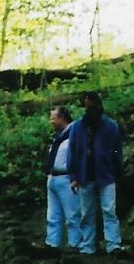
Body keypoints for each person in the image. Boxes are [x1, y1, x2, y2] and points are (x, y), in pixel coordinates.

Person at [68, 91, 124, 255]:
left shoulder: (110, 126)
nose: (90, 107)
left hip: (106, 175)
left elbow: (117, 152)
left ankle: (113, 244)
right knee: (87, 213)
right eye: (87, 104)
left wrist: (117, 174)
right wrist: (73, 177)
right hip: (85, 176)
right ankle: (88, 245)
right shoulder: (77, 127)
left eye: (92, 103)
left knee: (109, 211)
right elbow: (73, 152)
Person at [44, 105, 81, 252]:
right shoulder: (57, 136)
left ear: (62, 118)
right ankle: (52, 244)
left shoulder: (74, 134)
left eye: (53, 118)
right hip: (53, 178)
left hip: (67, 178)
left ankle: (75, 244)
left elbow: (79, 156)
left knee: (72, 215)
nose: (51, 121)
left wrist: (76, 176)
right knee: (53, 215)